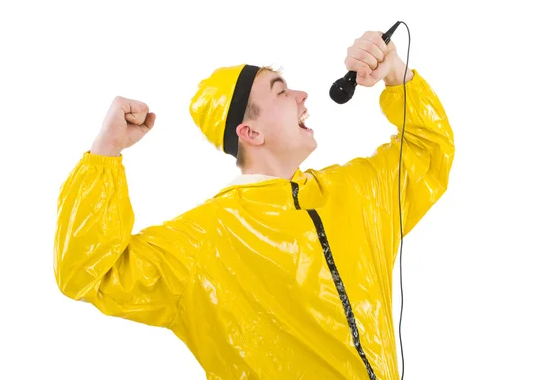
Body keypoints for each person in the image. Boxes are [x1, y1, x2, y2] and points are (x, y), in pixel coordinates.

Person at [54, 30, 454, 379]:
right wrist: (105, 151)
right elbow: (89, 272)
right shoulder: (205, 238)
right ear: (250, 131)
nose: (301, 95)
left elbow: (428, 150)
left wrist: (396, 74)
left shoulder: (355, 193)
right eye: (281, 91)